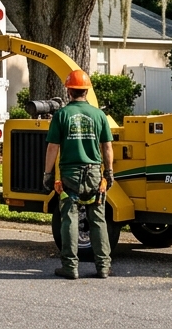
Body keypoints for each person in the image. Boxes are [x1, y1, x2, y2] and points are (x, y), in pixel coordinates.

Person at [42, 69, 115, 279]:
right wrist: (108, 172)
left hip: (70, 174)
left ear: (69, 91)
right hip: (93, 173)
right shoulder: (99, 115)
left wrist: (48, 174)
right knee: (98, 219)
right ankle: (103, 267)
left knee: (70, 219)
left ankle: (70, 267)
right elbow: (107, 147)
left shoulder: (62, 115)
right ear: (86, 90)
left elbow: (52, 148)